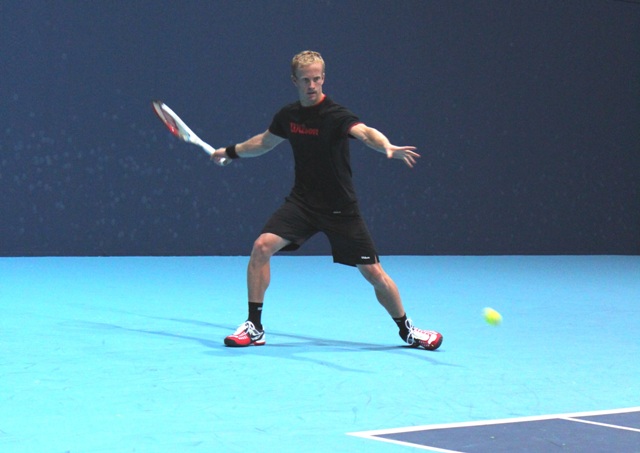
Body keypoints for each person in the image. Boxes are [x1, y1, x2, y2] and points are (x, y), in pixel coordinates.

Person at [211, 50, 442, 351]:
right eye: (306, 80)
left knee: (374, 273)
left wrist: (385, 145)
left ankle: (408, 331)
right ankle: (254, 327)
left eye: (317, 79)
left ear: (324, 78)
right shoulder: (288, 116)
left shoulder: (335, 115)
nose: (312, 85)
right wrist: (231, 152)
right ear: (294, 80)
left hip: (340, 208)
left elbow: (365, 132)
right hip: (303, 204)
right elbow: (264, 142)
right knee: (261, 247)